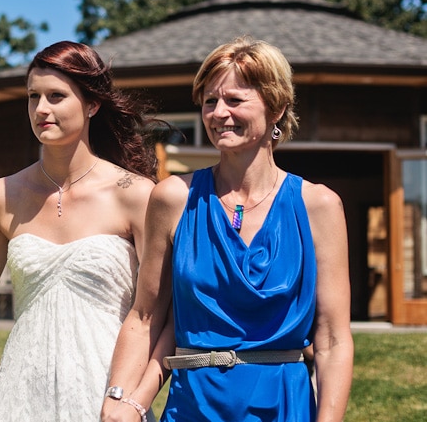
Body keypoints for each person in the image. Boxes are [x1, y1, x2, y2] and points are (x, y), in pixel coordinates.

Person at [102, 36, 353, 422]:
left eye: (235, 100)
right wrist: (118, 400)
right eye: (209, 101)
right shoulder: (173, 198)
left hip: (285, 405)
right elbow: (145, 316)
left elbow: (333, 340)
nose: (219, 113)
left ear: (276, 108)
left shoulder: (319, 206)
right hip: (194, 406)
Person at [0, 41, 162, 421]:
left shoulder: (136, 195)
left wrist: (132, 398)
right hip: (20, 395)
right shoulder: (1, 196)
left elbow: (157, 314)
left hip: (106, 395)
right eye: (33, 97)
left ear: (92, 104)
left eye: (56, 96)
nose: (41, 109)